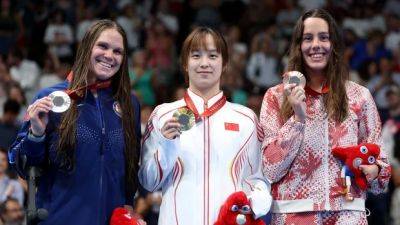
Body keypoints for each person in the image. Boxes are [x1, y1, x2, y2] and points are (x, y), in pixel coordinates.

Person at [260, 9, 391, 224]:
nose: (316, 45)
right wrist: (298, 119)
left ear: (335, 45)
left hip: (348, 215)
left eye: (324, 37)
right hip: (294, 215)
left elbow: (381, 171)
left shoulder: (359, 96)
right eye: (308, 38)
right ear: (298, 46)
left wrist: (375, 170)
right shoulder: (276, 96)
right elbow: (270, 169)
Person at [9, 20, 142, 225]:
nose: (109, 55)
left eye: (118, 51)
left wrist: (128, 210)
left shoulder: (129, 104)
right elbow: (24, 168)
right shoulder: (50, 98)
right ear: (86, 47)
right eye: (103, 46)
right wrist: (36, 134)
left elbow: (131, 167)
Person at [139, 27, 272, 225]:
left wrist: (256, 200)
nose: (204, 63)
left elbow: (258, 178)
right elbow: (148, 182)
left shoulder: (247, 120)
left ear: (224, 63)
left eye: (212, 56)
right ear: (185, 63)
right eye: (196, 55)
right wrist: (167, 145)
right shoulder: (162, 115)